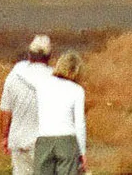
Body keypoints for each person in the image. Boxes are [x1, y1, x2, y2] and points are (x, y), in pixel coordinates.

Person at [0, 33, 57, 172]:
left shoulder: (14, 75)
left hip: (18, 144)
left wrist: (5, 137)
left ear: (30, 54)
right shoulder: (56, 79)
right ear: (49, 57)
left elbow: (5, 111)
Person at [37, 47, 91, 175]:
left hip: (44, 139)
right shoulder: (77, 90)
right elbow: (79, 124)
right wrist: (82, 152)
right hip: (67, 141)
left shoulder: (42, 85)